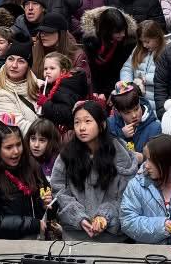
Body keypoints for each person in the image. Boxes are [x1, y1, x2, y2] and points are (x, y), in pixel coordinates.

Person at [50, 101, 137, 242]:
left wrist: (105, 216)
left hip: (112, 237)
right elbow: (59, 190)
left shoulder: (119, 154)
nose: (81, 128)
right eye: (77, 122)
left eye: (88, 121)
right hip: (75, 235)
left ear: (102, 124)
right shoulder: (67, 155)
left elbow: (127, 194)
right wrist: (78, 217)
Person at [0, 116, 51, 239]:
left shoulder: (31, 166)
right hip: (3, 246)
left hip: (36, 240)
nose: (16, 151)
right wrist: (32, 224)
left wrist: (45, 204)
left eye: (19, 144)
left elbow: (46, 203)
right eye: (9, 147)